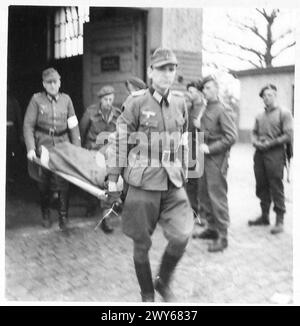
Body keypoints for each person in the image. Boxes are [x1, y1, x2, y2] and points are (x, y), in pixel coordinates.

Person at [106, 47, 194, 302]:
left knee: (182, 235)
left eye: (172, 68)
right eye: (162, 69)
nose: (168, 74)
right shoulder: (136, 102)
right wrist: (113, 181)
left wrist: (184, 169)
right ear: (150, 71)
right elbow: (120, 143)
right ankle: (147, 294)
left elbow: (184, 138)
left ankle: (162, 281)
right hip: (143, 182)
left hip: (172, 181)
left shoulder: (180, 102)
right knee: (141, 243)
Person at [23, 68, 81, 231]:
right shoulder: (36, 100)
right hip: (44, 144)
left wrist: (77, 149)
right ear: (44, 84)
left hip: (63, 144)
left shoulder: (66, 100)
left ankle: (64, 217)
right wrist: (31, 148)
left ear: (60, 82)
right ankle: (46, 214)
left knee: (63, 181)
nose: (53, 85)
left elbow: (73, 126)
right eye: (49, 82)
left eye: (56, 82)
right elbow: (28, 125)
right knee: (44, 181)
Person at [192, 75, 237, 252]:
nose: (205, 91)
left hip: (216, 159)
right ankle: (211, 228)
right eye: (204, 89)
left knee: (217, 196)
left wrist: (211, 149)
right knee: (203, 195)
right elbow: (206, 130)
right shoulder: (205, 108)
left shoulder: (221, 109)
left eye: (209, 88)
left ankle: (223, 236)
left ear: (217, 89)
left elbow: (231, 136)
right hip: (204, 158)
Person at [248, 84, 293, 234]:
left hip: (275, 154)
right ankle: (264, 216)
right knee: (261, 184)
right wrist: (255, 142)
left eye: (270, 94)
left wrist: (270, 143)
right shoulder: (259, 115)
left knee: (276, 185)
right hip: (259, 154)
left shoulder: (284, 113)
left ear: (275, 95)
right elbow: (253, 132)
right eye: (264, 96)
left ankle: (279, 220)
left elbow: (288, 135)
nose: (267, 98)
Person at [79, 85, 122, 233]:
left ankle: (106, 217)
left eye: (111, 99)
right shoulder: (90, 113)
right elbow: (81, 132)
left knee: (109, 179)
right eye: (105, 99)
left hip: (110, 153)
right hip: (93, 150)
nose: (108, 102)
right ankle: (91, 204)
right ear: (100, 100)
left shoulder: (117, 114)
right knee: (93, 179)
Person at [184, 81, 206, 226]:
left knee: (202, 183)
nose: (190, 94)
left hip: (201, 149)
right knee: (191, 181)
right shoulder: (189, 107)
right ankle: (193, 211)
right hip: (190, 147)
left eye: (192, 91)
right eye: (188, 92)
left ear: (199, 92)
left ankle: (204, 215)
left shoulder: (204, 108)